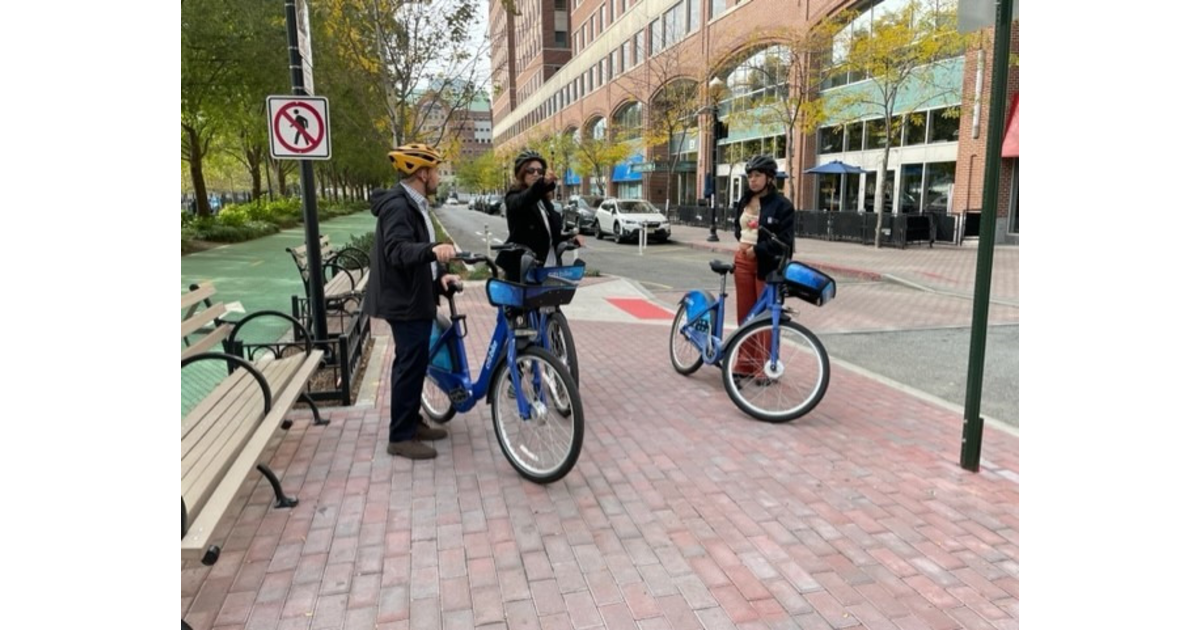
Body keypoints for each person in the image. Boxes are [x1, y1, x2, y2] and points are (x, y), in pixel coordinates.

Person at [362, 143, 460, 459]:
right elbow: (398, 251)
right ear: (421, 172)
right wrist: (434, 250)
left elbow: (421, 251)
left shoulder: (415, 204)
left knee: (415, 363)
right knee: (409, 365)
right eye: (435, 171)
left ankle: (411, 422)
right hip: (403, 300)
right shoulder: (399, 206)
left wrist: (440, 273)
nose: (438, 177)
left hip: (415, 295)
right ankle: (400, 436)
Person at [730, 155, 795, 383]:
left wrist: (757, 250)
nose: (753, 180)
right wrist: (744, 246)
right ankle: (745, 362)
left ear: (769, 178)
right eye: (749, 176)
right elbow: (738, 228)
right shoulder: (744, 201)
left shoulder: (782, 206)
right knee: (745, 315)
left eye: (757, 175)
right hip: (742, 262)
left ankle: (765, 367)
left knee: (766, 318)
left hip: (767, 266)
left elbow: (786, 242)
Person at [496, 150, 584, 282]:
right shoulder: (514, 197)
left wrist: (571, 238)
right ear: (521, 173)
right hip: (524, 270)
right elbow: (524, 199)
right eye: (531, 170)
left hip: (549, 268)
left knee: (551, 302)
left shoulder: (544, 202)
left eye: (540, 171)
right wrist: (542, 184)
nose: (536, 174)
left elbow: (550, 233)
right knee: (526, 302)